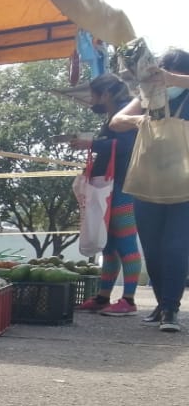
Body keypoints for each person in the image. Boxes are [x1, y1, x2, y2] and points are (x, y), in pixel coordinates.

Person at [109, 48, 189, 332]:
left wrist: (175, 80)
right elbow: (116, 121)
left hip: (185, 187)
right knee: (153, 250)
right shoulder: (146, 99)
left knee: (175, 247)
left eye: (166, 73)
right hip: (148, 183)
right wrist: (137, 120)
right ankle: (161, 304)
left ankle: (171, 309)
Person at [70, 74, 141, 316]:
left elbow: (124, 147)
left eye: (94, 95)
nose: (92, 100)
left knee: (126, 242)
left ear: (107, 94)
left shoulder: (125, 116)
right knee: (108, 244)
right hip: (109, 186)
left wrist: (91, 145)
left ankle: (129, 300)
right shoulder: (113, 117)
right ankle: (103, 296)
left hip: (123, 186)